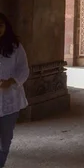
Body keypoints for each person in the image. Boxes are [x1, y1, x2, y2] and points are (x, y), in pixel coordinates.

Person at [0, 13, 29, 168]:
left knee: (5, 140)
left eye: (1, 25)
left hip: (9, 100)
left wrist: (11, 81)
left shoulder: (15, 47)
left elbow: (23, 69)